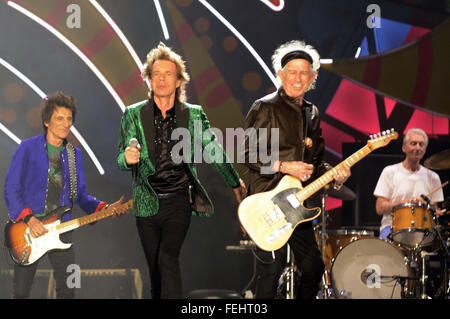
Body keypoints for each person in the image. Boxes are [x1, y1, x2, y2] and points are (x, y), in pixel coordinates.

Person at [117, 42, 246, 299]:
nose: (162, 79)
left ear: (178, 81)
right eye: (156, 74)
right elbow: (120, 157)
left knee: (168, 257)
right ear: (149, 79)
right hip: (146, 201)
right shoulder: (133, 114)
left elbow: (214, 150)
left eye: (168, 74)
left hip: (178, 199)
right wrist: (127, 157)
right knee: (155, 272)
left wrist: (234, 182)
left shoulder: (193, 115)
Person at [241, 40, 350, 299]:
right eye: (292, 71)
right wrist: (282, 165)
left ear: (312, 77)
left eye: (304, 72)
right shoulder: (264, 107)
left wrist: (335, 174)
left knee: (313, 267)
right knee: (270, 274)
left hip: (297, 206)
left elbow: (317, 161)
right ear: (281, 74)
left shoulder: (312, 113)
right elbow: (244, 153)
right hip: (267, 204)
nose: (298, 78)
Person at [4, 91, 123, 299]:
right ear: (46, 121)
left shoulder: (74, 154)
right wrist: (29, 218)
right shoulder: (27, 148)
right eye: (60, 118)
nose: (66, 123)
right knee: (21, 293)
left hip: (62, 230)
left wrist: (103, 208)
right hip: (28, 231)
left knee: (69, 289)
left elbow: (80, 195)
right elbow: (11, 188)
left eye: (69, 119)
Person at [374, 128, 444, 240]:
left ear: (425, 150)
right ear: (404, 148)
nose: (417, 148)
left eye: (421, 145)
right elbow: (380, 208)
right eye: (413, 143)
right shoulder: (390, 171)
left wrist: (425, 206)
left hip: (423, 229)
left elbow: (434, 210)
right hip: (391, 227)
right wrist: (405, 203)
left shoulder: (433, 177)